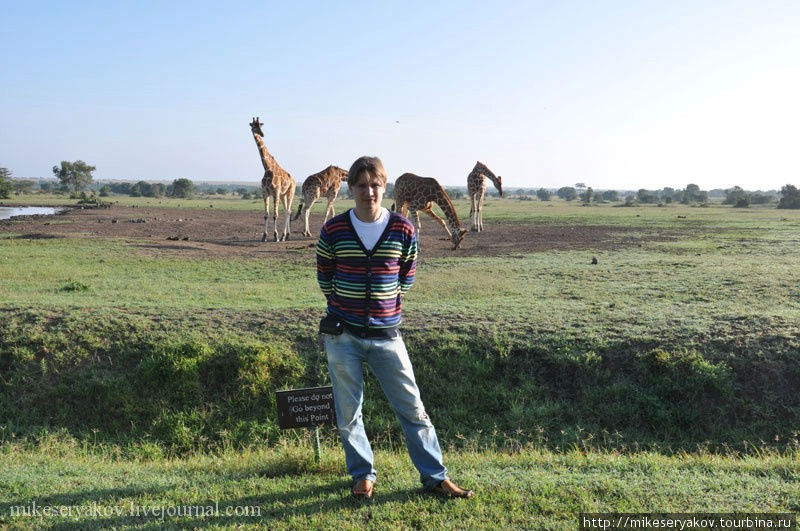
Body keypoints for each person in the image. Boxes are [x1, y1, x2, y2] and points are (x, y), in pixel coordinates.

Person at [316, 155, 474, 500]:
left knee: (413, 409)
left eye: (375, 185)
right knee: (348, 413)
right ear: (351, 188)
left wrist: (383, 305)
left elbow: (407, 277)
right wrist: (351, 306)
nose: (369, 191)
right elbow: (325, 278)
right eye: (361, 185)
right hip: (343, 335)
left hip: (387, 336)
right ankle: (362, 475)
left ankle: (435, 476)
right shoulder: (334, 230)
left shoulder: (403, 230)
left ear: (383, 186)